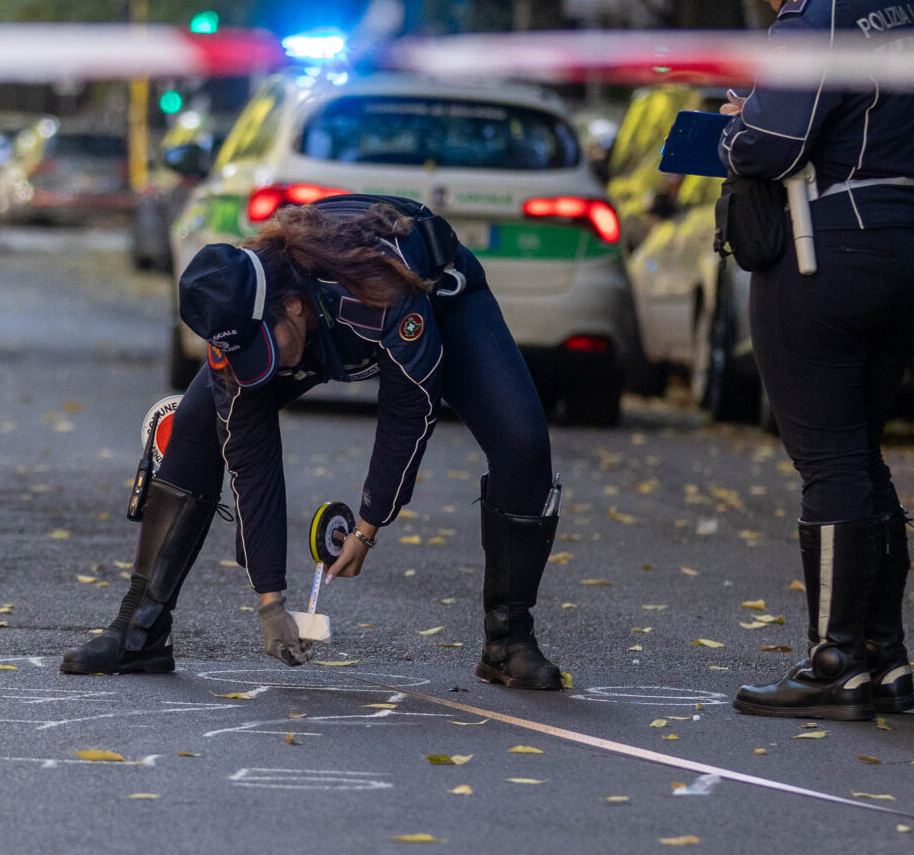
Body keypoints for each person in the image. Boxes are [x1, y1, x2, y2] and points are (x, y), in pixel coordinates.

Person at [63, 195, 564, 689]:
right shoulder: (234, 325)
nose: (268, 368)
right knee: (196, 426)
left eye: (269, 348)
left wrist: (368, 526)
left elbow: (408, 412)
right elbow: (250, 460)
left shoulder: (376, 294)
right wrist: (270, 601)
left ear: (295, 305)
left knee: (522, 443)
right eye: (245, 356)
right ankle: (139, 631)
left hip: (438, 296)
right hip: (312, 323)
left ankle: (508, 640)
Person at [660, 0, 914, 719]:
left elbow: (774, 144)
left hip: (833, 250)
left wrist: (740, 123)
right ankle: (885, 659)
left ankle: (835, 663)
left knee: (829, 459)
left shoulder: (819, 10)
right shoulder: (902, 1)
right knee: (860, 454)